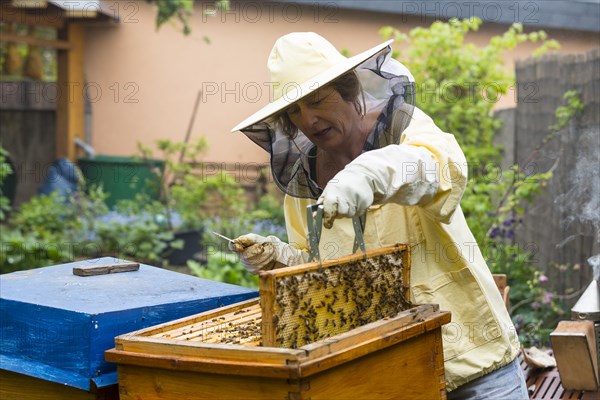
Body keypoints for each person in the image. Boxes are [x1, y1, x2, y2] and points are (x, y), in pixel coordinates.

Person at [230, 32, 528, 399]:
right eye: (295, 110)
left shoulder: (403, 128)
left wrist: (370, 173)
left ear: (348, 89)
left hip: (474, 364)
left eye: (316, 100)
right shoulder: (304, 180)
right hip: (393, 373)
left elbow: (441, 169)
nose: (308, 119)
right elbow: (319, 266)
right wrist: (279, 257)